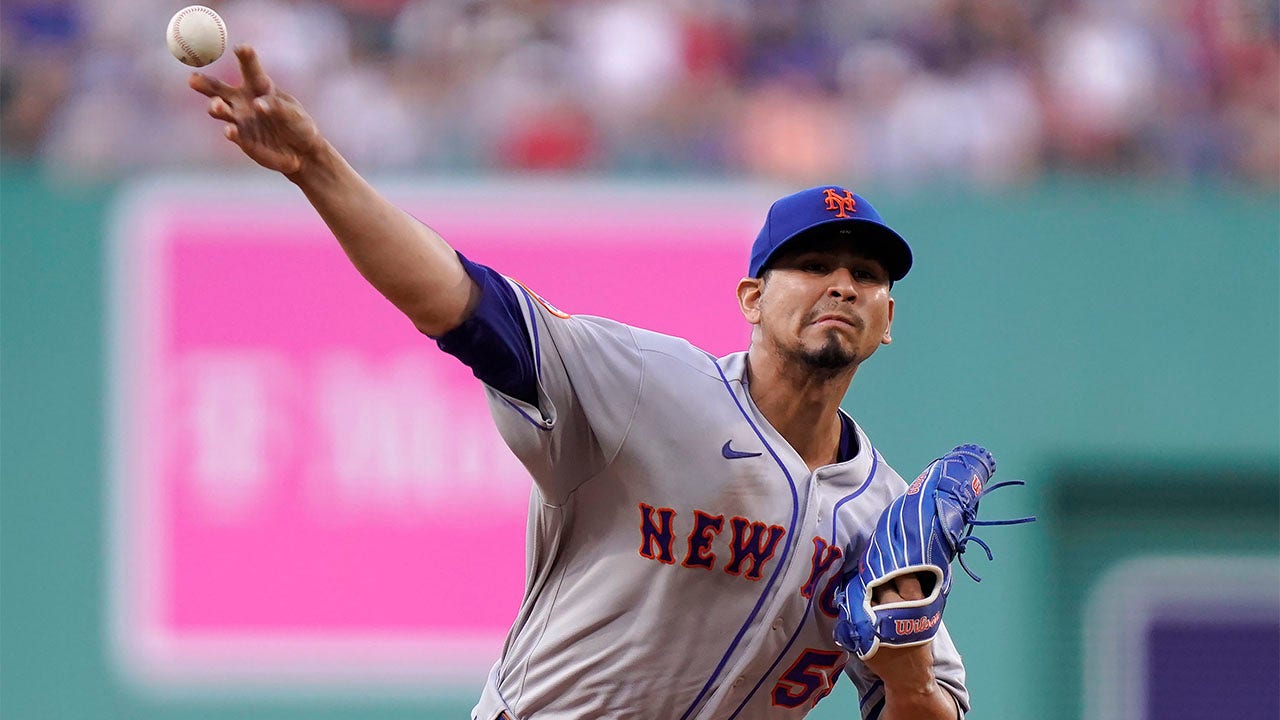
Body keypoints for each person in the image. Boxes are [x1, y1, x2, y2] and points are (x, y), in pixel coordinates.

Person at [189, 45, 968, 720]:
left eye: (865, 275)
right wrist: (318, 168)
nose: (841, 284)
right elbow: (461, 302)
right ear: (753, 299)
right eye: (811, 265)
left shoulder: (885, 523)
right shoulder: (649, 386)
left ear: (887, 319)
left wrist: (905, 663)